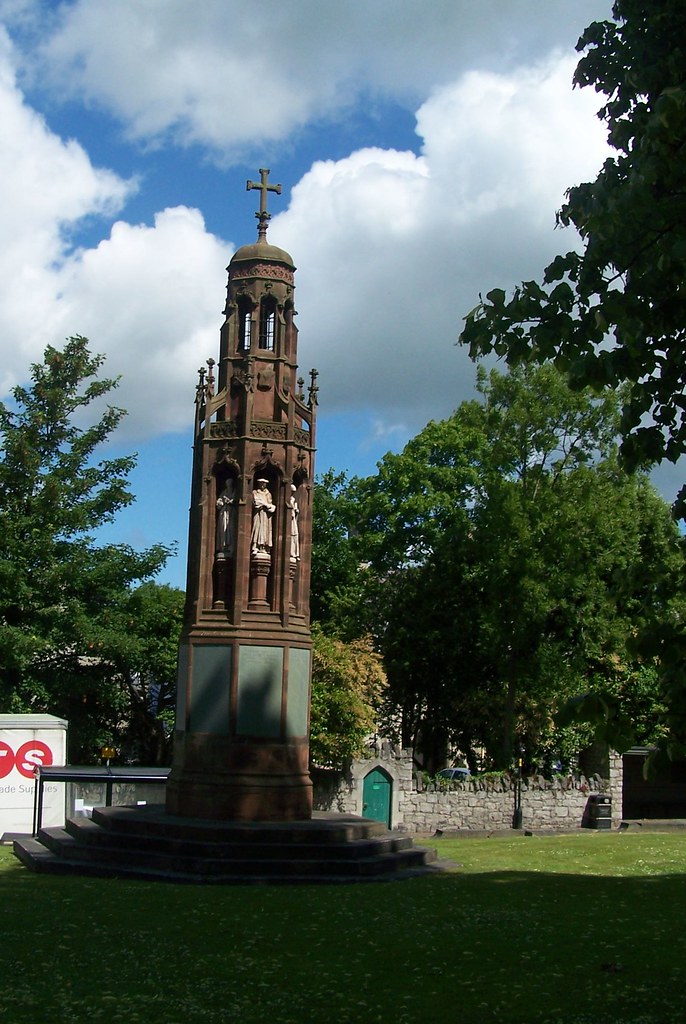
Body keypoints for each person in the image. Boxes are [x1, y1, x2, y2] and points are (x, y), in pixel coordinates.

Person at [251, 478, 275, 555]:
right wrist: (266, 505)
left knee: (265, 531)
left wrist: (270, 506)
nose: (262, 485)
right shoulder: (255, 492)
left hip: (265, 515)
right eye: (261, 483)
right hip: (258, 514)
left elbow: (270, 504)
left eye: (264, 483)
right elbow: (256, 502)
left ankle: (263, 547)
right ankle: (255, 546)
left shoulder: (268, 494)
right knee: (257, 529)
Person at [215, 478, 237, 557]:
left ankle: (230, 546)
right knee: (224, 528)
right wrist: (220, 502)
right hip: (224, 512)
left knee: (230, 529)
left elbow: (235, 500)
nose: (228, 485)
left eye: (230, 483)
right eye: (227, 483)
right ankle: (223, 547)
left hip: (231, 513)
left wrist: (229, 501)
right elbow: (219, 502)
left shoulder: (234, 491)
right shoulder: (223, 492)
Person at [288, 484, 300, 561]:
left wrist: (296, 511)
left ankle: (294, 553)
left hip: (293, 520)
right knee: (291, 534)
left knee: (295, 535)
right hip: (289, 520)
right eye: (291, 491)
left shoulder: (293, 499)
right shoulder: (288, 499)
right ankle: (291, 553)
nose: (292, 493)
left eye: (293, 492)